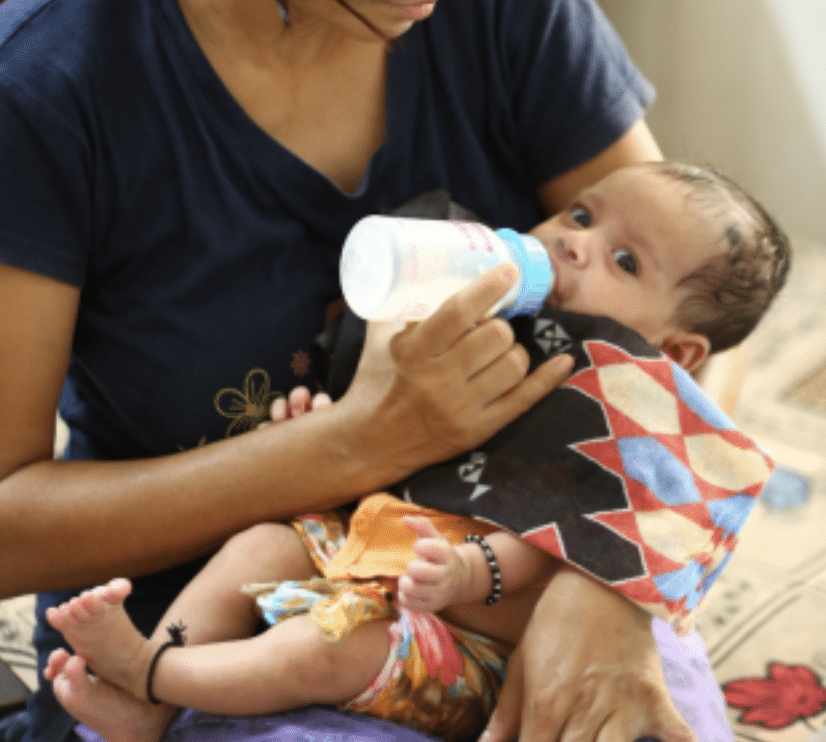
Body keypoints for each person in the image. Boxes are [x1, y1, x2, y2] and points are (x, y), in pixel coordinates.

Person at [0, 0, 757, 742]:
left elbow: (674, 305)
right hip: (219, 631)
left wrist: (599, 588)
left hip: (508, 565)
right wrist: (359, 443)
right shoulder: (50, 85)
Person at [42, 161, 790, 742]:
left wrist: (471, 570)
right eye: (582, 213)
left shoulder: (627, 425)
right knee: (256, 546)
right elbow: (387, 450)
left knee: (326, 651)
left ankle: (156, 675)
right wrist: (310, 437)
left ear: (678, 350)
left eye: (623, 261)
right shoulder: (478, 332)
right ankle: (148, 701)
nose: (573, 240)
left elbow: (565, 540)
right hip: (366, 554)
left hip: (471, 644)